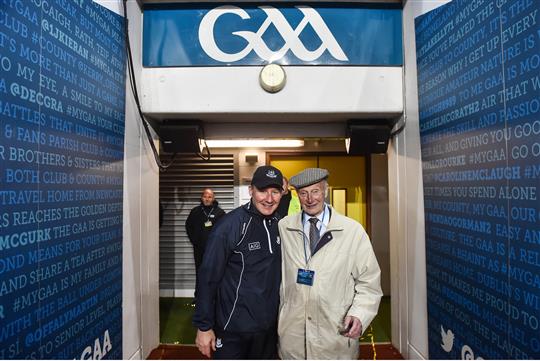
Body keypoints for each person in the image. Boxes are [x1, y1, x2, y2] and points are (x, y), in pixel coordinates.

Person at [277, 168, 382, 359]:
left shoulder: (352, 231)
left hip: (334, 335)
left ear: (325, 191)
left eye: (315, 191)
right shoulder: (284, 228)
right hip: (293, 337)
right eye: (303, 193)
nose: (310, 199)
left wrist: (359, 314)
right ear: (297, 196)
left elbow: (369, 283)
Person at [193, 165, 284, 359]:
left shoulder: (280, 224)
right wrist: (204, 326)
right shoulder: (229, 226)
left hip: (268, 330)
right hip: (233, 329)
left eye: (275, 192)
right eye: (262, 190)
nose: (269, 199)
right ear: (251, 190)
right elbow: (207, 277)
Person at [185, 188, 226, 302]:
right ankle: (198, 296)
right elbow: (188, 227)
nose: (207, 199)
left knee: (215, 272)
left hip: (214, 250)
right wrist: (194, 240)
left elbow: (224, 230)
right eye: (205, 196)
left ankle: (214, 297)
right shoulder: (195, 211)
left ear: (213, 198)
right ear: (201, 197)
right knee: (200, 272)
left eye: (210, 197)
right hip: (199, 249)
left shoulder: (220, 213)